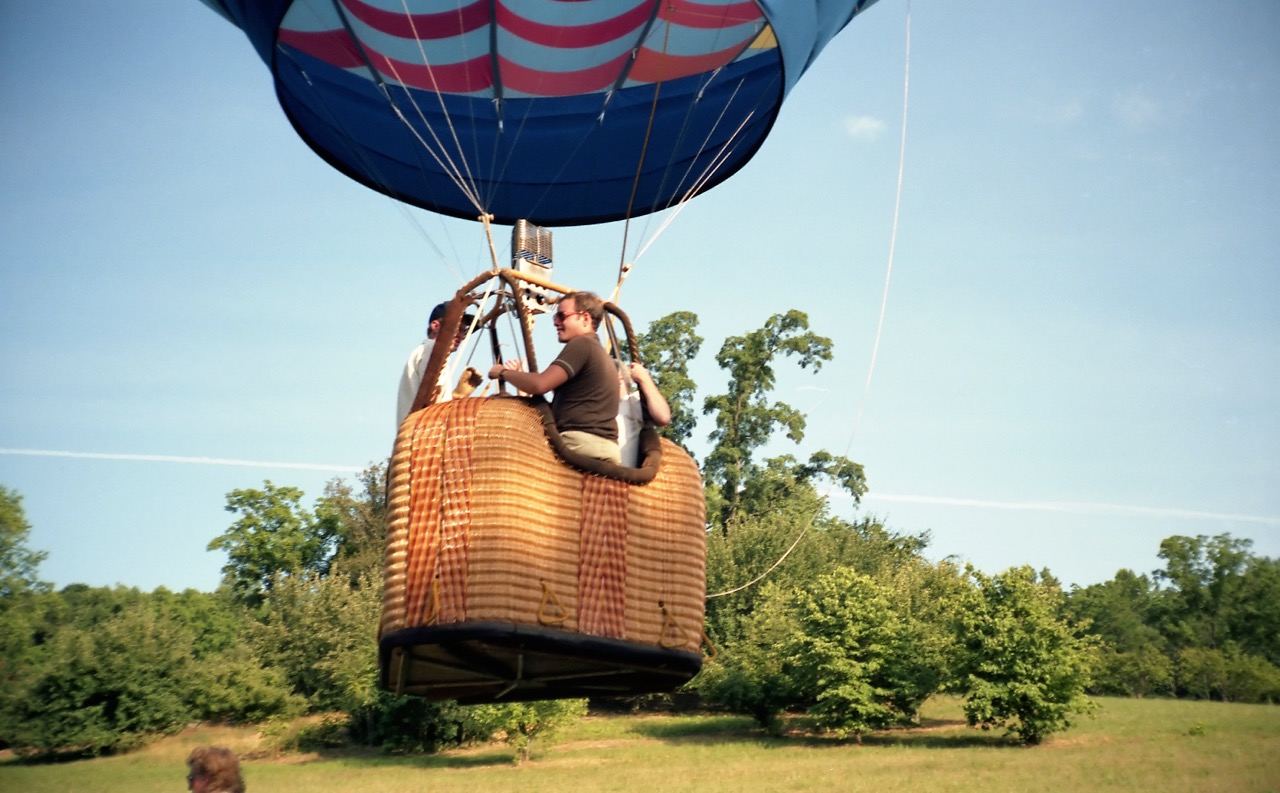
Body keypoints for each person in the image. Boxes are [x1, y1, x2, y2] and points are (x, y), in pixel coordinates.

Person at [488, 291, 621, 463]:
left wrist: (502, 372)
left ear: (585, 318)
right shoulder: (599, 352)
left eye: (561, 316)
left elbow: (540, 384)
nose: (556, 323)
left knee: (507, 457)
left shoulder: (582, 344)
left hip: (578, 442)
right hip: (605, 446)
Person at [396, 301, 474, 427]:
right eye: (457, 327)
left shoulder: (428, 351)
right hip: (424, 439)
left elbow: (433, 401)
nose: (460, 335)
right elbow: (432, 402)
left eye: (463, 331)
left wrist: (456, 396)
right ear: (435, 326)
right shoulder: (431, 349)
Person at [616, 360, 673, 467]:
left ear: (619, 377)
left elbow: (663, 416)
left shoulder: (634, 401)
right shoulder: (594, 409)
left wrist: (643, 378)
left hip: (626, 477)